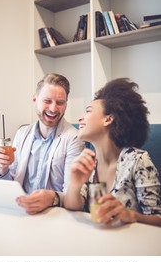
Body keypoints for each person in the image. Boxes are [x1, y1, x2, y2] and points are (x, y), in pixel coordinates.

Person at [64, 78, 161, 227]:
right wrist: (75, 185)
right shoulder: (89, 160)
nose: (80, 118)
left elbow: (157, 219)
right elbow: (73, 206)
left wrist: (130, 215)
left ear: (108, 119)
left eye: (88, 111)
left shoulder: (137, 160)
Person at [0, 73, 84, 214]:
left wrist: (52, 198)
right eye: (47, 101)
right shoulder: (22, 133)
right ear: (35, 100)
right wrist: (2, 168)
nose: (53, 109)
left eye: (60, 102)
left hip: (55, 217)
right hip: (21, 213)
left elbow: (73, 196)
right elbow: (10, 188)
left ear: (66, 104)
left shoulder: (74, 138)